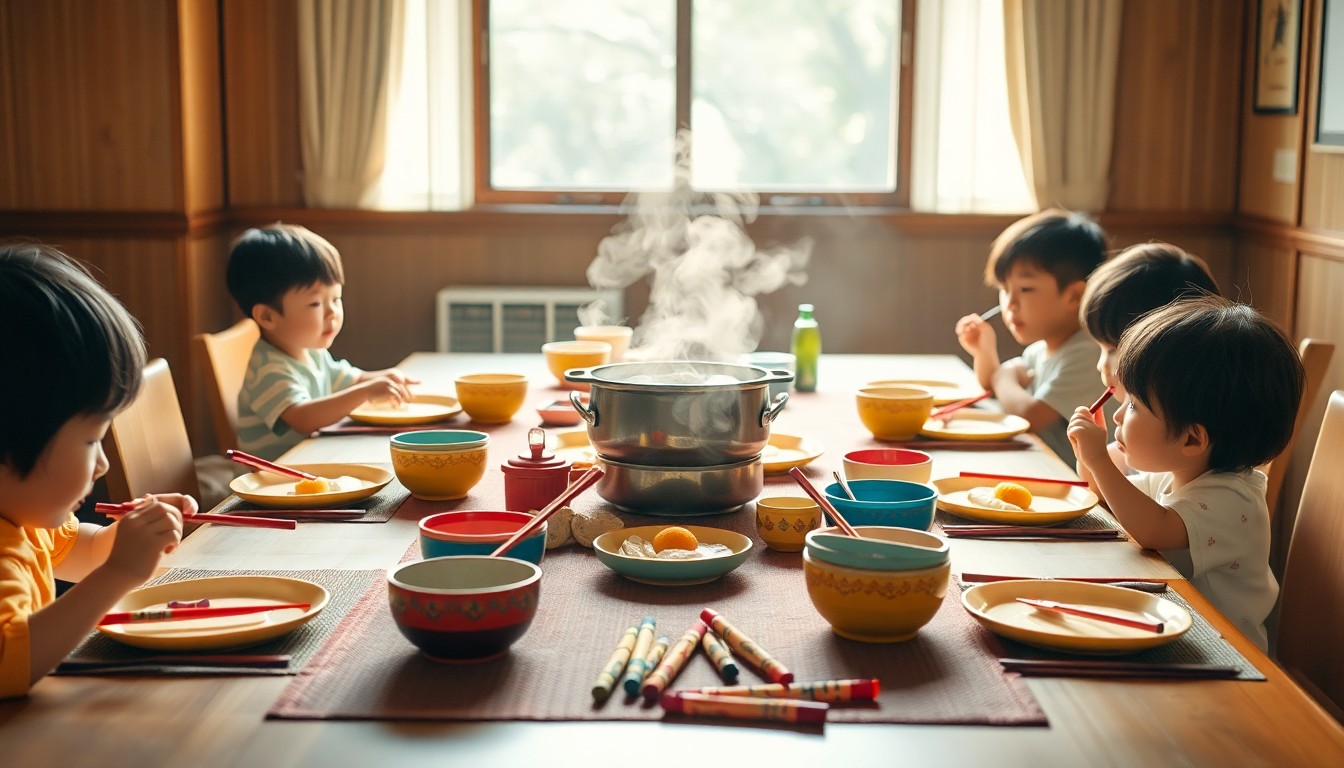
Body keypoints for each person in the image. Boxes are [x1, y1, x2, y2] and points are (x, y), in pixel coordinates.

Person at [0, 243, 193, 698]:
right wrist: (120, 572)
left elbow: (81, 551)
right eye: (91, 441)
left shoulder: (24, 518)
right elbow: (10, 664)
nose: (103, 464)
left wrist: (126, 539)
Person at [1067, 296, 1304, 651]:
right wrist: (1087, 458)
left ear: (1192, 439)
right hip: (1181, 631)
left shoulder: (1232, 499)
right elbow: (1105, 499)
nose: (1118, 415)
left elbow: (1152, 530)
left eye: (1134, 405)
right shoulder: (1178, 474)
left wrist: (1100, 460)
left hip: (1227, 652)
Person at [226, 224, 418, 460]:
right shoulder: (268, 369)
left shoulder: (310, 351)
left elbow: (345, 379)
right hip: (271, 477)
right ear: (267, 316)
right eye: (316, 303)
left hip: (309, 464)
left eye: (336, 299)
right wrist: (366, 392)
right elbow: (303, 417)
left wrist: (382, 379)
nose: (332, 313)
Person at [954, 209, 1108, 466]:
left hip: (1075, 481)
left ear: (1074, 296)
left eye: (1025, 289)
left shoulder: (1090, 353)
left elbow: (1029, 414)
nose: (1010, 304)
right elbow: (995, 386)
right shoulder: (1041, 350)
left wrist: (1003, 376)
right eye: (1005, 289)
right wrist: (984, 353)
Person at [1080, 242, 1221, 473]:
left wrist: (1097, 460)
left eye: (1113, 350)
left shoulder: (1179, 448)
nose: (1101, 365)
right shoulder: (1142, 439)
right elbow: (1094, 481)